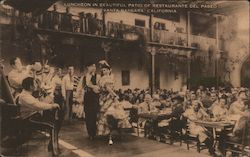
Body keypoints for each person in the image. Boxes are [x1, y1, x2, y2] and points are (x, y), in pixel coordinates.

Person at [18, 77, 60, 156]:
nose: (36, 85)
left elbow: (40, 103)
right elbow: (37, 105)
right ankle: (55, 152)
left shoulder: (28, 94)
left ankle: (52, 145)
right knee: (53, 126)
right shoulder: (24, 96)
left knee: (56, 122)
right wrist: (52, 106)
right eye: (35, 83)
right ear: (31, 86)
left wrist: (49, 96)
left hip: (34, 116)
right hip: (29, 119)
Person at [83, 62, 100, 140]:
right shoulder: (84, 77)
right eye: (91, 66)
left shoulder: (98, 76)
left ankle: (93, 133)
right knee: (87, 116)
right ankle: (89, 133)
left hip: (94, 98)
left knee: (93, 115)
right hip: (87, 98)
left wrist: (92, 86)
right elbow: (81, 88)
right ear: (88, 67)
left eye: (94, 66)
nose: (93, 68)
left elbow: (99, 88)